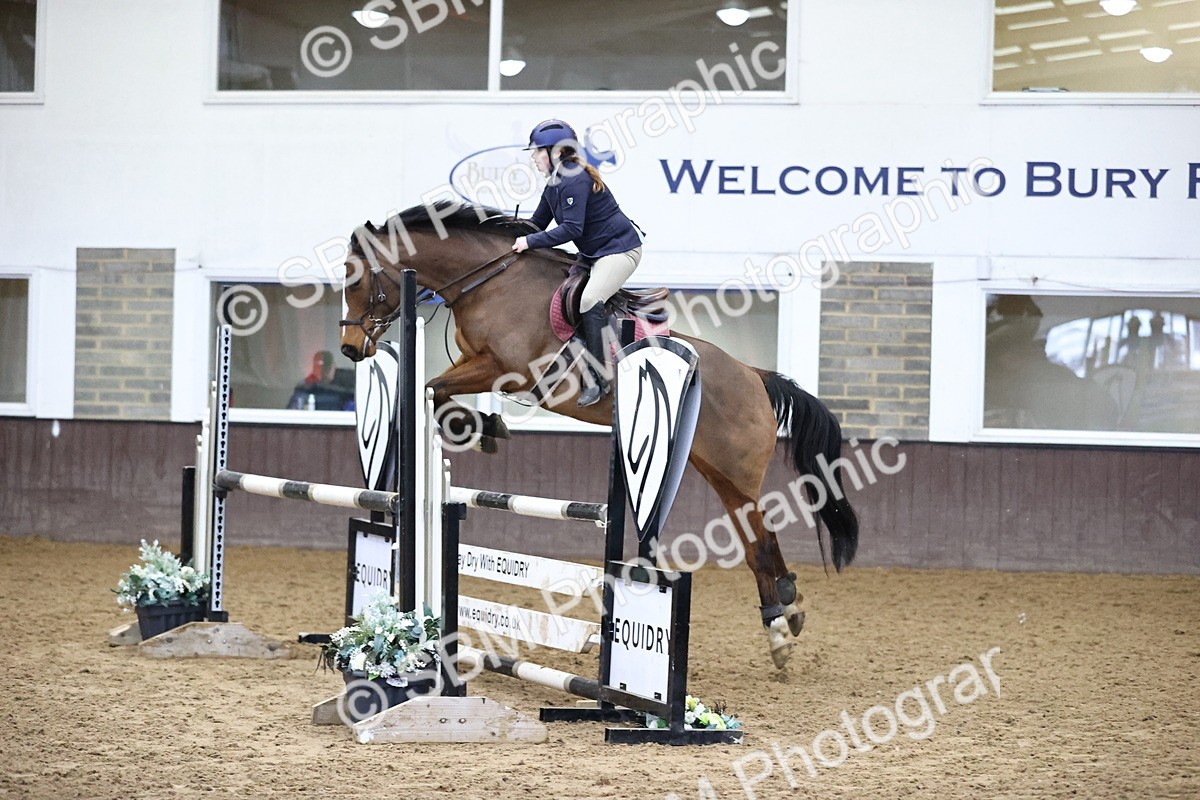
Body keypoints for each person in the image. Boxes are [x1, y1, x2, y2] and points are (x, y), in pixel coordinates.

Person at [512, 119, 643, 406]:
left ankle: (599, 379)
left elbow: (572, 229)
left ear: (555, 151)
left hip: (620, 252)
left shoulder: (574, 178)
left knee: (589, 300)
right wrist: (503, 231)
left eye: (536, 151)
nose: (533, 158)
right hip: (595, 255)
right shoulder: (556, 182)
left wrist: (529, 243)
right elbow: (536, 224)